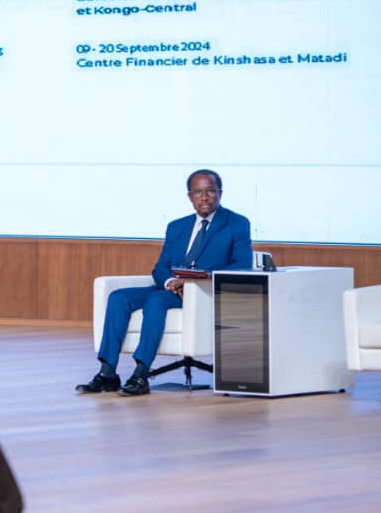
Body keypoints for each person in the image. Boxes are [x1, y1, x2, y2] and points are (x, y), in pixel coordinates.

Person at [76, 169, 252, 396]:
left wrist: (194, 279)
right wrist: (170, 282)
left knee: (156, 301)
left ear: (220, 193)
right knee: (119, 297)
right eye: (198, 192)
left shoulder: (236, 223)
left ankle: (141, 374)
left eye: (210, 191)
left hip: (201, 292)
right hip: (170, 289)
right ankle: (107, 373)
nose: (204, 197)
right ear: (190, 196)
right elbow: (161, 267)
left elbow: (242, 265)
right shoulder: (177, 226)